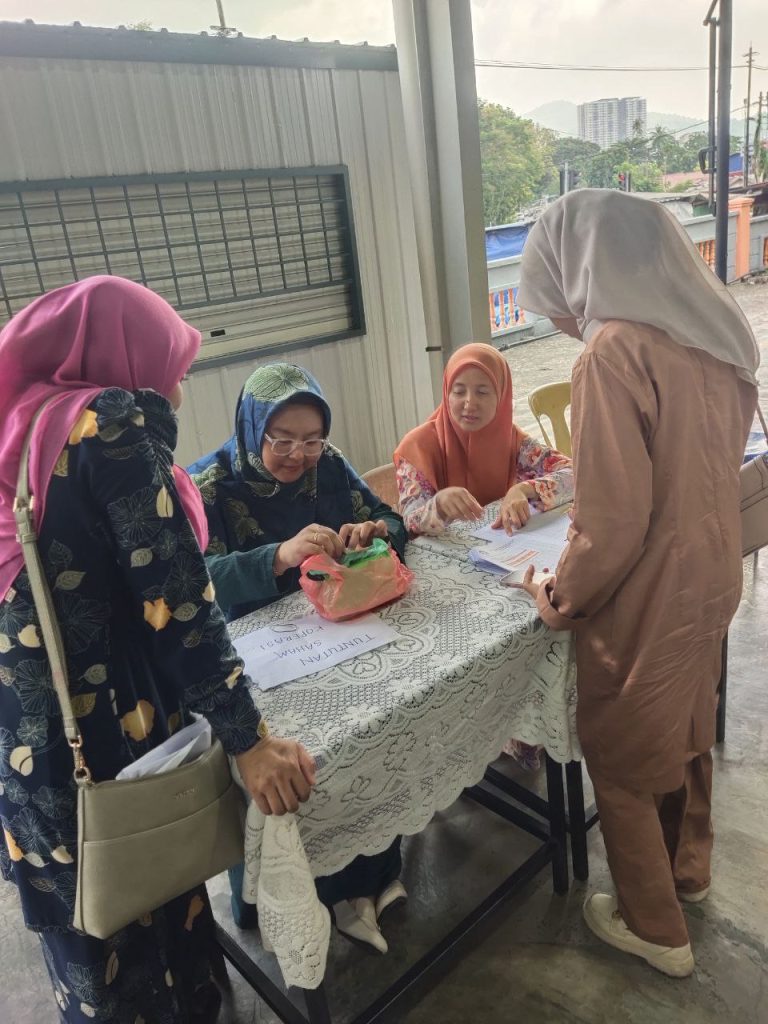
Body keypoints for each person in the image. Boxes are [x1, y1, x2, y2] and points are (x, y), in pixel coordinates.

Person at [0, 277, 315, 1023]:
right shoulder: (107, 425)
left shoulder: (22, 428)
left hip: (27, 735)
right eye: (174, 363)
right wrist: (249, 740)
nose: (178, 383)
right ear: (122, 354)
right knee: (146, 895)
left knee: (86, 924)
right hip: (105, 726)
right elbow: (176, 600)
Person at [516, 189, 759, 977]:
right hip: (713, 573)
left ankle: (655, 928)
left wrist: (559, 595)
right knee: (685, 727)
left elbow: (613, 523)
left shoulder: (613, 353)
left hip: (650, 591)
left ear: (582, 264)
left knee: (620, 755)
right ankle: (687, 869)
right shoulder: (714, 340)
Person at [188, 363, 407, 953]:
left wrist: (372, 533)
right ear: (251, 427)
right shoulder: (209, 485)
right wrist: (278, 556)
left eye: (311, 439)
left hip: (335, 636)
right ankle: (300, 895)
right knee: (298, 767)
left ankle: (372, 875)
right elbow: (191, 583)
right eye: (281, 439)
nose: (299, 455)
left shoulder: (327, 465)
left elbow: (391, 519)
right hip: (253, 658)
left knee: (375, 730)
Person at [394, 342, 573, 538]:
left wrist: (524, 489)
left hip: (504, 546)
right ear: (446, 394)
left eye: (482, 392)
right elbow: (409, 521)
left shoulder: (513, 441)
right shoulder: (417, 447)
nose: (470, 403)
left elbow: (574, 474)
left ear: (501, 396)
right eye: (459, 391)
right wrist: (439, 505)